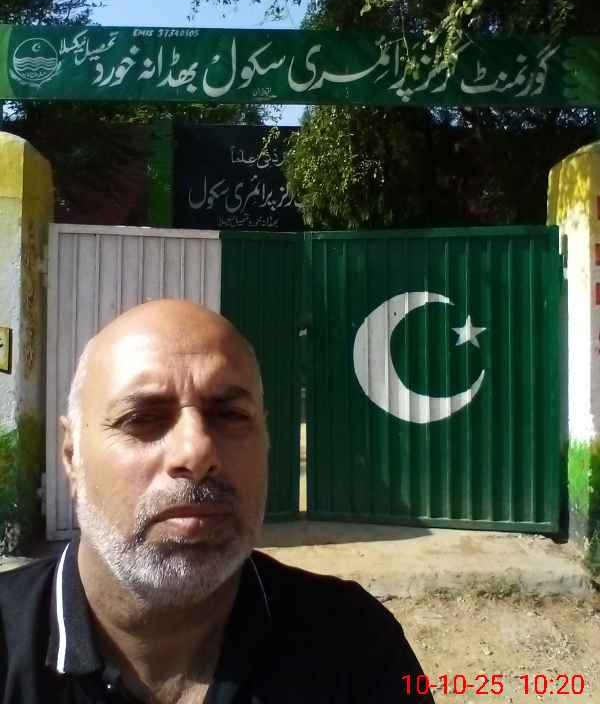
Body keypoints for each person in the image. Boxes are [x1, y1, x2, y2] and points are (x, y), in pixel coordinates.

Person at [0, 299, 435, 703]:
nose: (196, 452)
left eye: (230, 415)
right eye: (142, 418)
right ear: (72, 457)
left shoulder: (353, 645)